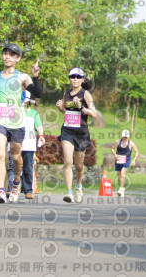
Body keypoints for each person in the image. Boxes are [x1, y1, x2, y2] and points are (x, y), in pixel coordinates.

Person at [0, 43, 41, 203]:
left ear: (18, 58)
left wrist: (36, 77)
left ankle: (16, 184)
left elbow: (38, 93)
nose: (7, 56)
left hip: (17, 121)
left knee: (16, 156)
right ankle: (1, 191)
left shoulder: (23, 77)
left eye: (12, 54)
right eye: (5, 53)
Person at [55, 67, 97, 203]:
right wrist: (60, 108)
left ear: (82, 80)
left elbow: (94, 113)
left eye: (78, 77)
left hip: (81, 133)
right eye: (72, 76)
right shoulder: (66, 94)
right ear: (69, 79)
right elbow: (66, 112)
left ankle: (78, 186)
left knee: (79, 166)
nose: (75, 79)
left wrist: (81, 107)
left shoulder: (86, 95)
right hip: (67, 131)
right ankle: (69, 192)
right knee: (68, 161)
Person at [21, 90, 45, 199]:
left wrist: (41, 135)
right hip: (15, 143)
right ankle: (10, 189)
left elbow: (39, 126)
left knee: (27, 168)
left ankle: (28, 190)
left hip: (28, 144)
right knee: (13, 166)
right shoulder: (14, 111)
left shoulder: (33, 113)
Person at [111, 129, 140, 197]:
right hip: (118, 159)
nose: (125, 138)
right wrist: (115, 155)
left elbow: (137, 152)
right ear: (122, 136)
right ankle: (121, 188)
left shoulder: (131, 144)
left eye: (126, 137)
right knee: (119, 175)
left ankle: (121, 189)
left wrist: (134, 160)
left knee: (123, 172)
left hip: (126, 160)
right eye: (124, 136)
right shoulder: (118, 142)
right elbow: (112, 149)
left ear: (128, 137)